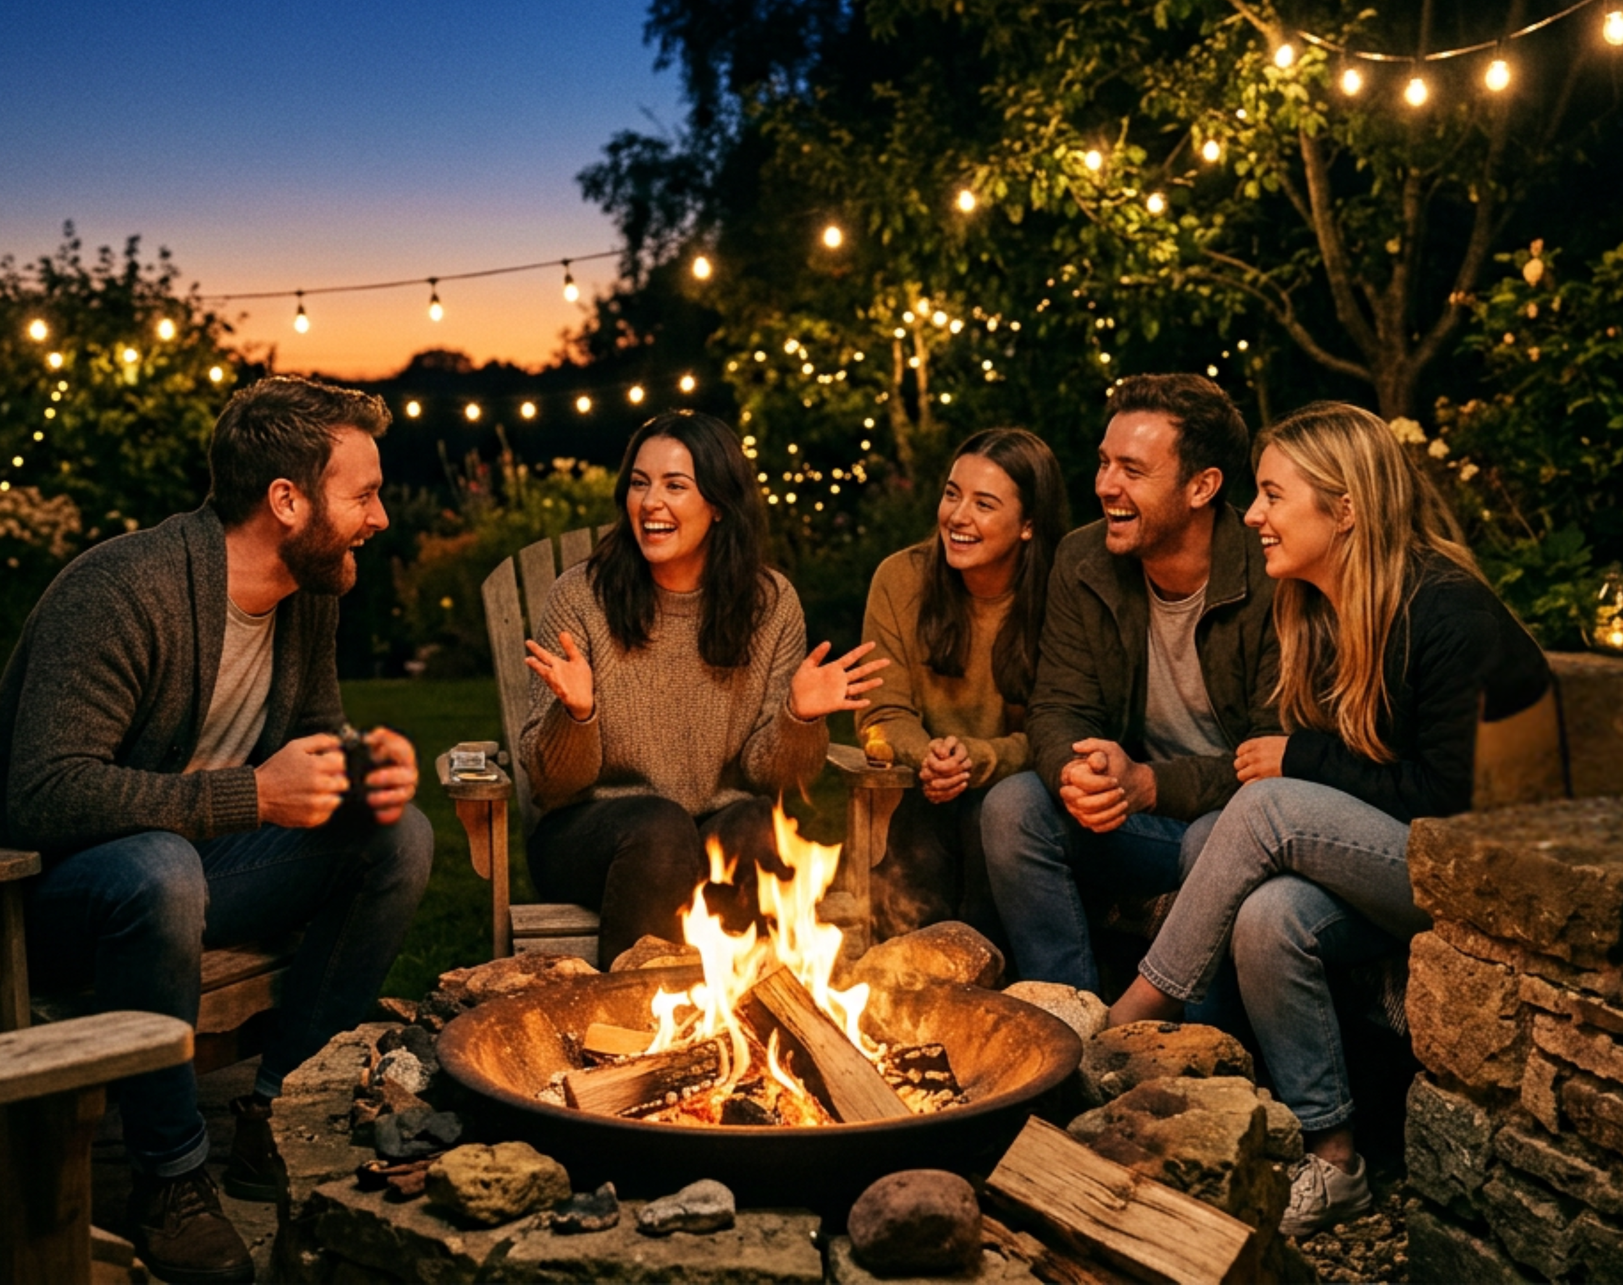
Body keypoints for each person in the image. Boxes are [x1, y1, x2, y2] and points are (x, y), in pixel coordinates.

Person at [0, 376, 432, 1285]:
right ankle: (171, 1179)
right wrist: (251, 798)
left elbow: (306, 743)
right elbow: (48, 794)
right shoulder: (124, 589)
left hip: (186, 876)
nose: (380, 518)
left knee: (397, 836)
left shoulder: (309, 595)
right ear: (287, 501)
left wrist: (358, 768)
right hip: (20, 897)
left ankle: (278, 1119)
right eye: (364, 494)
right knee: (161, 870)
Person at [1105, 400, 1552, 1239]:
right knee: (1271, 918)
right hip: (1406, 865)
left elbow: (1453, 806)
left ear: (1344, 509)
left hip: (1494, 877)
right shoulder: (1321, 610)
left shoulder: (1446, 612)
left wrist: (1303, 760)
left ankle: (1131, 1017)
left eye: (1274, 495)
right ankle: (1334, 1158)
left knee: (1267, 804)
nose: (1253, 515)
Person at [520, 411, 886, 963]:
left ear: (717, 504)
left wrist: (798, 717)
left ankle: (732, 1024)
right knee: (660, 831)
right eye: (639, 484)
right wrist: (576, 716)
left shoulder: (769, 604)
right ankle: (630, 1016)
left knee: (761, 827)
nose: (650, 504)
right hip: (593, 833)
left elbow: (774, 779)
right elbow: (550, 782)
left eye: (674, 486)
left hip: (711, 826)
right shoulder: (582, 598)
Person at [981, 373, 1280, 992]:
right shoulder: (1084, 558)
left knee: (1212, 838)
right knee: (1013, 806)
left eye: (1132, 470)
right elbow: (1058, 705)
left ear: (1202, 487)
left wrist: (1151, 784)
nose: (1105, 485)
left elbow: (1279, 753)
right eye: (1104, 462)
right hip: (1134, 817)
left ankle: (1203, 1057)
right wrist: (1077, 770)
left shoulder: (1272, 574)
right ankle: (1071, 1020)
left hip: (1236, 824)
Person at [858, 427, 1067, 941]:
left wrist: (975, 759)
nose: (957, 516)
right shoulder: (900, 580)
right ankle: (904, 986)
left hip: (1022, 796)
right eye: (952, 494)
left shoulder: (1060, 596)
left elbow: (1059, 729)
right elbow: (880, 713)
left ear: (1027, 525)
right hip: (924, 787)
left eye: (984, 504)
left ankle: (985, 991)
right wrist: (931, 756)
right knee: (919, 825)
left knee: (990, 817)